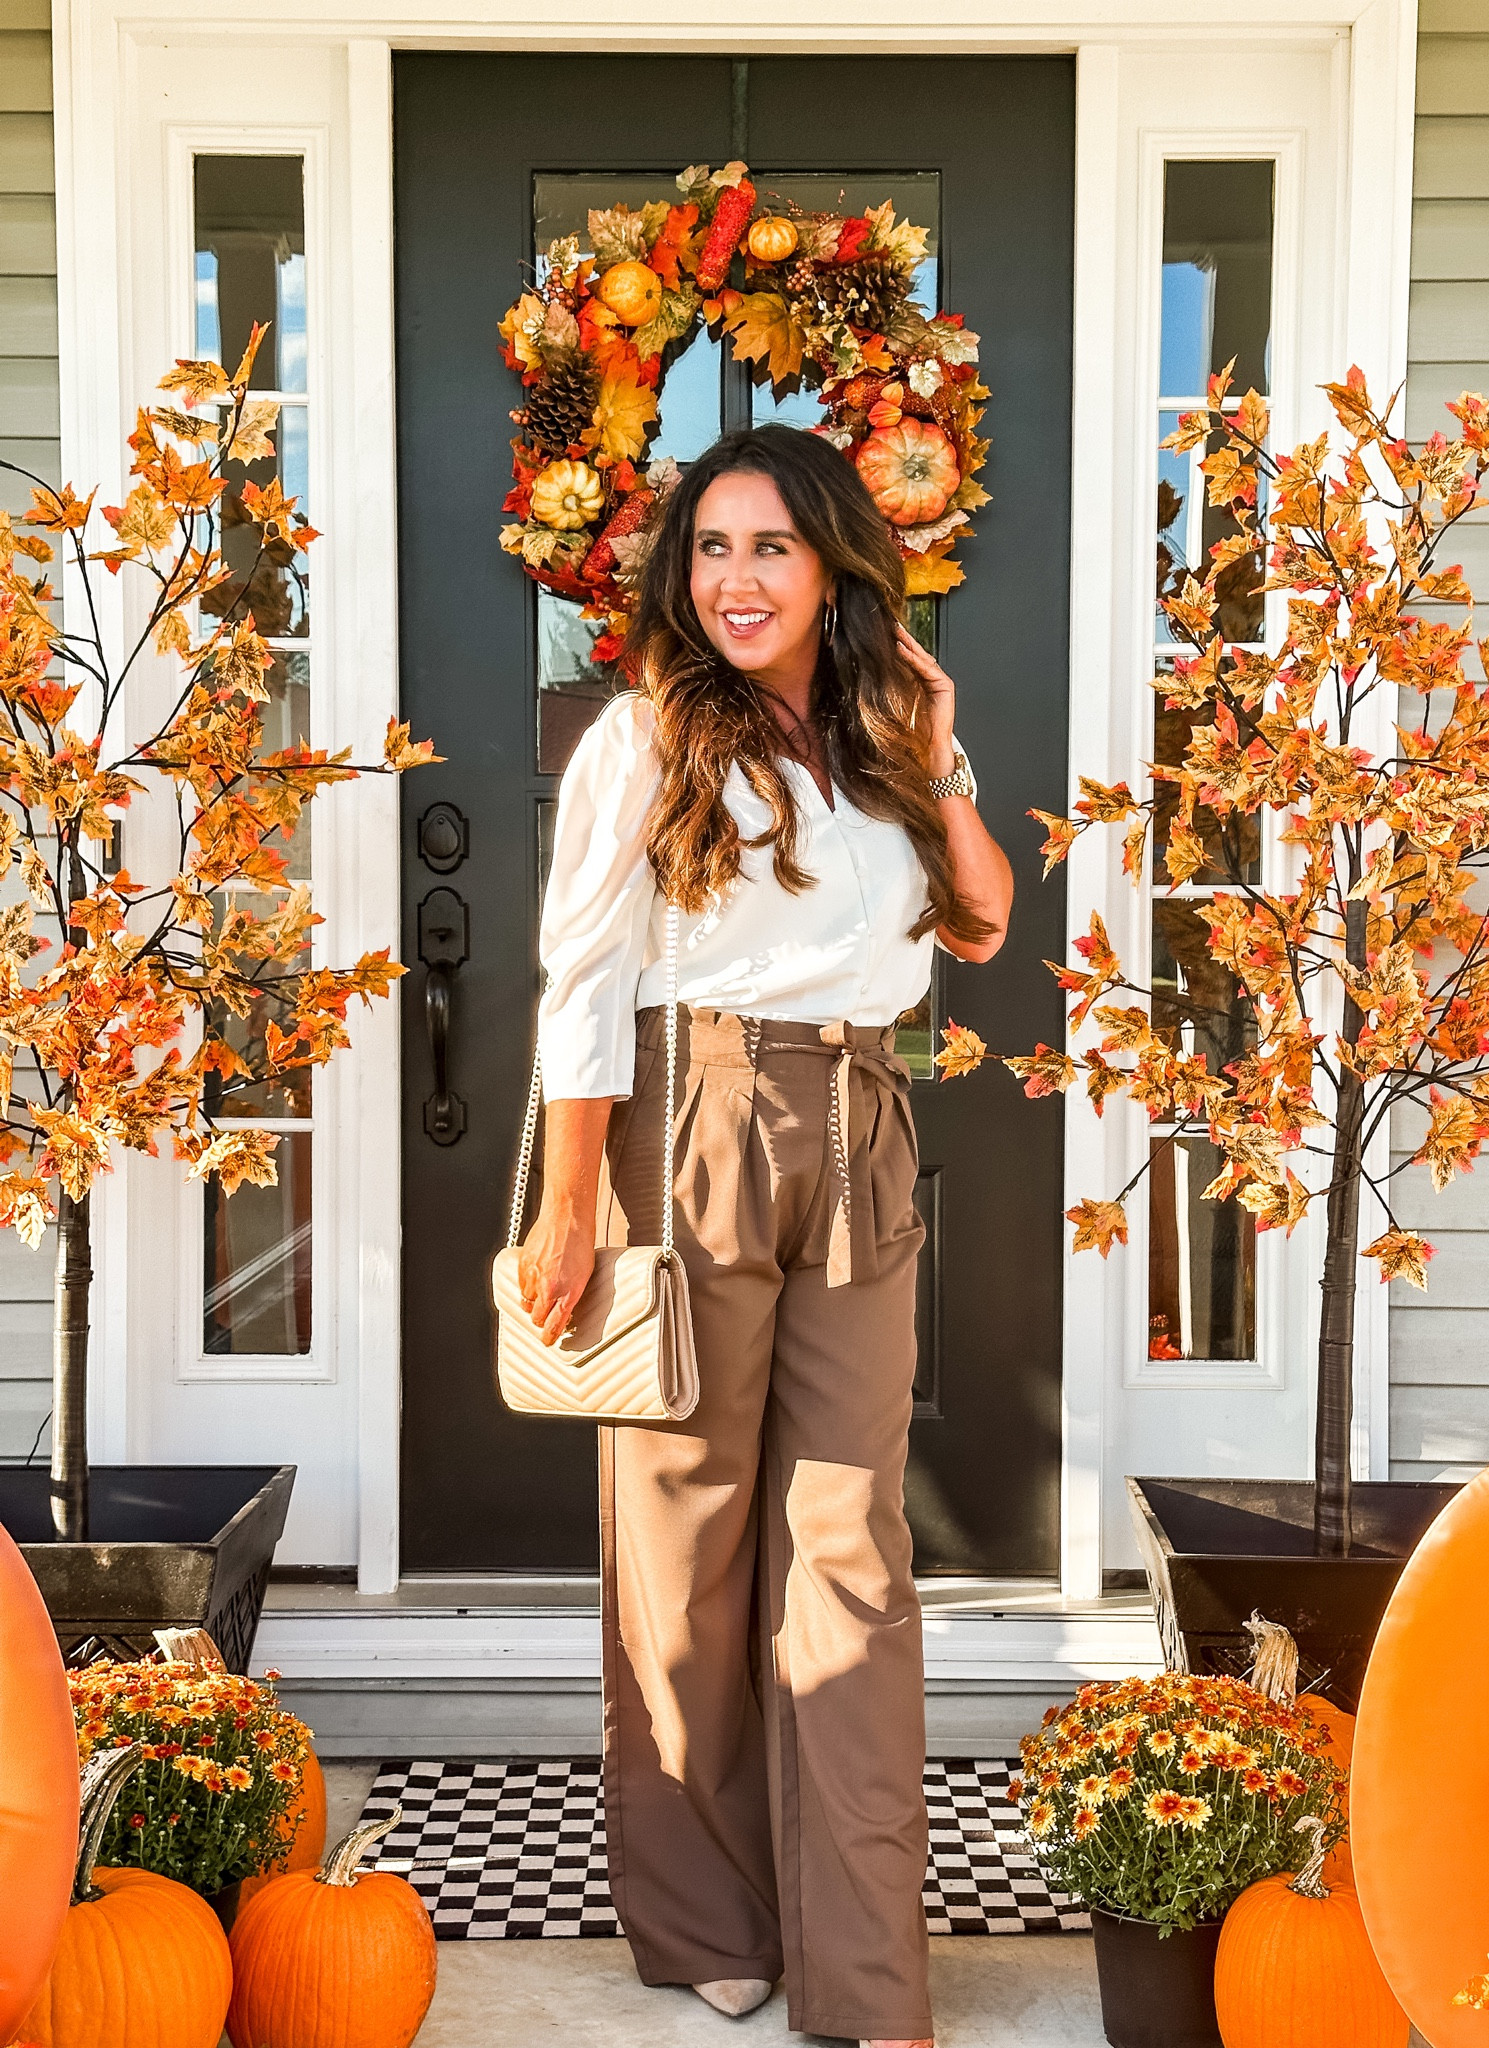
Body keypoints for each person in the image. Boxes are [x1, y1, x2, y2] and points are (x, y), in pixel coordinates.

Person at [518, 423, 1012, 2047]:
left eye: (773, 549)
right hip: (691, 1119)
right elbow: (583, 976)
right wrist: (571, 1200)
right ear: (684, 573)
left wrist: (936, 749)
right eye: (713, 548)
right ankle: (705, 1919)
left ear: (831, 569)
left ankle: (866, 1967)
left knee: (851, 1543)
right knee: (689, 1538)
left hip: (864, 1126)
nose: (738, 579)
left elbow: (986, 919)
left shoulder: (880, 736)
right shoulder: (645, 735)